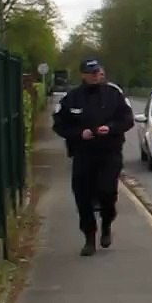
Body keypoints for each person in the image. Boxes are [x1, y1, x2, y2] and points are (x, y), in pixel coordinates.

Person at [53, 59, 135, 256]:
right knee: (83, 196)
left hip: (109, 153)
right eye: (93, 72)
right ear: (84, 75)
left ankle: (106, 223)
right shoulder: (72, 98)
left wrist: (112, 128)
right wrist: (79, 134)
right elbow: (59, 125)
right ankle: (89, 237)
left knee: (107, 191)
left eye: (99, 71)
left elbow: (127, 119)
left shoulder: (113, 94)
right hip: (83, 154)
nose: (98, 75)